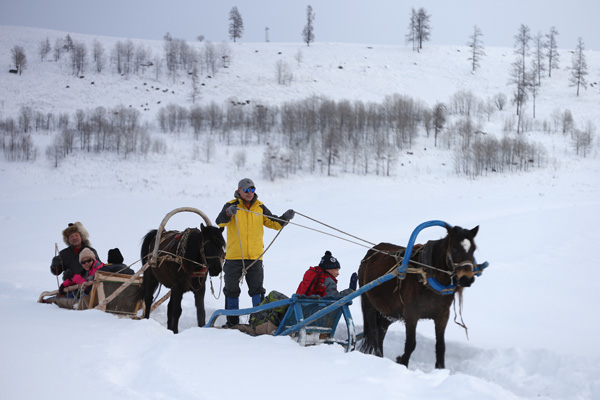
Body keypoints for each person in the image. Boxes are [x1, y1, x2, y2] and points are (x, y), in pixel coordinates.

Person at [216, 178, 295, 326]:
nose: (250, 193)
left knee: (257, 290)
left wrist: (285, 218)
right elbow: (220, 222)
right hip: (234, 257)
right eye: (246, 190)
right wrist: (228, 213)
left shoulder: (260, 207)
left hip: (255, 257)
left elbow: (274, 223)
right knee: (231, 290)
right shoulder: (231, 206)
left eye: (252, 189)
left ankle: (258, 322)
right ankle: (232, 323)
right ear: (239, 191)